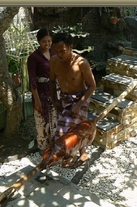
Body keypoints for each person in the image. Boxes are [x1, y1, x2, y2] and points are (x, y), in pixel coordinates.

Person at [49, 32, 96, 168]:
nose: (59, 55)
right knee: (74, 128)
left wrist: (79, 104)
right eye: (56, 51)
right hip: (64, 98)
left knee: (68, 129)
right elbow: (51, 82)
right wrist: (54, 100)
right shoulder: (53, 61)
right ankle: (80, 153)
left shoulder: (81, 63)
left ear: (70, 47)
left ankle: (70, 155)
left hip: (81, 98)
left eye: (62, 51)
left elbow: (92, 85)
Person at [27, 28, 57, 155]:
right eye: (44, 41)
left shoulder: (54, 53)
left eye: (50, 41)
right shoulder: (33, 57)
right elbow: (32, 80)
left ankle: (53, 144)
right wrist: (37, 100)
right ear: (39, 42)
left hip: (53, 91)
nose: (47, 44)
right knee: (41, 120)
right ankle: (42, 146)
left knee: (54, 118)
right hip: (40, 92)